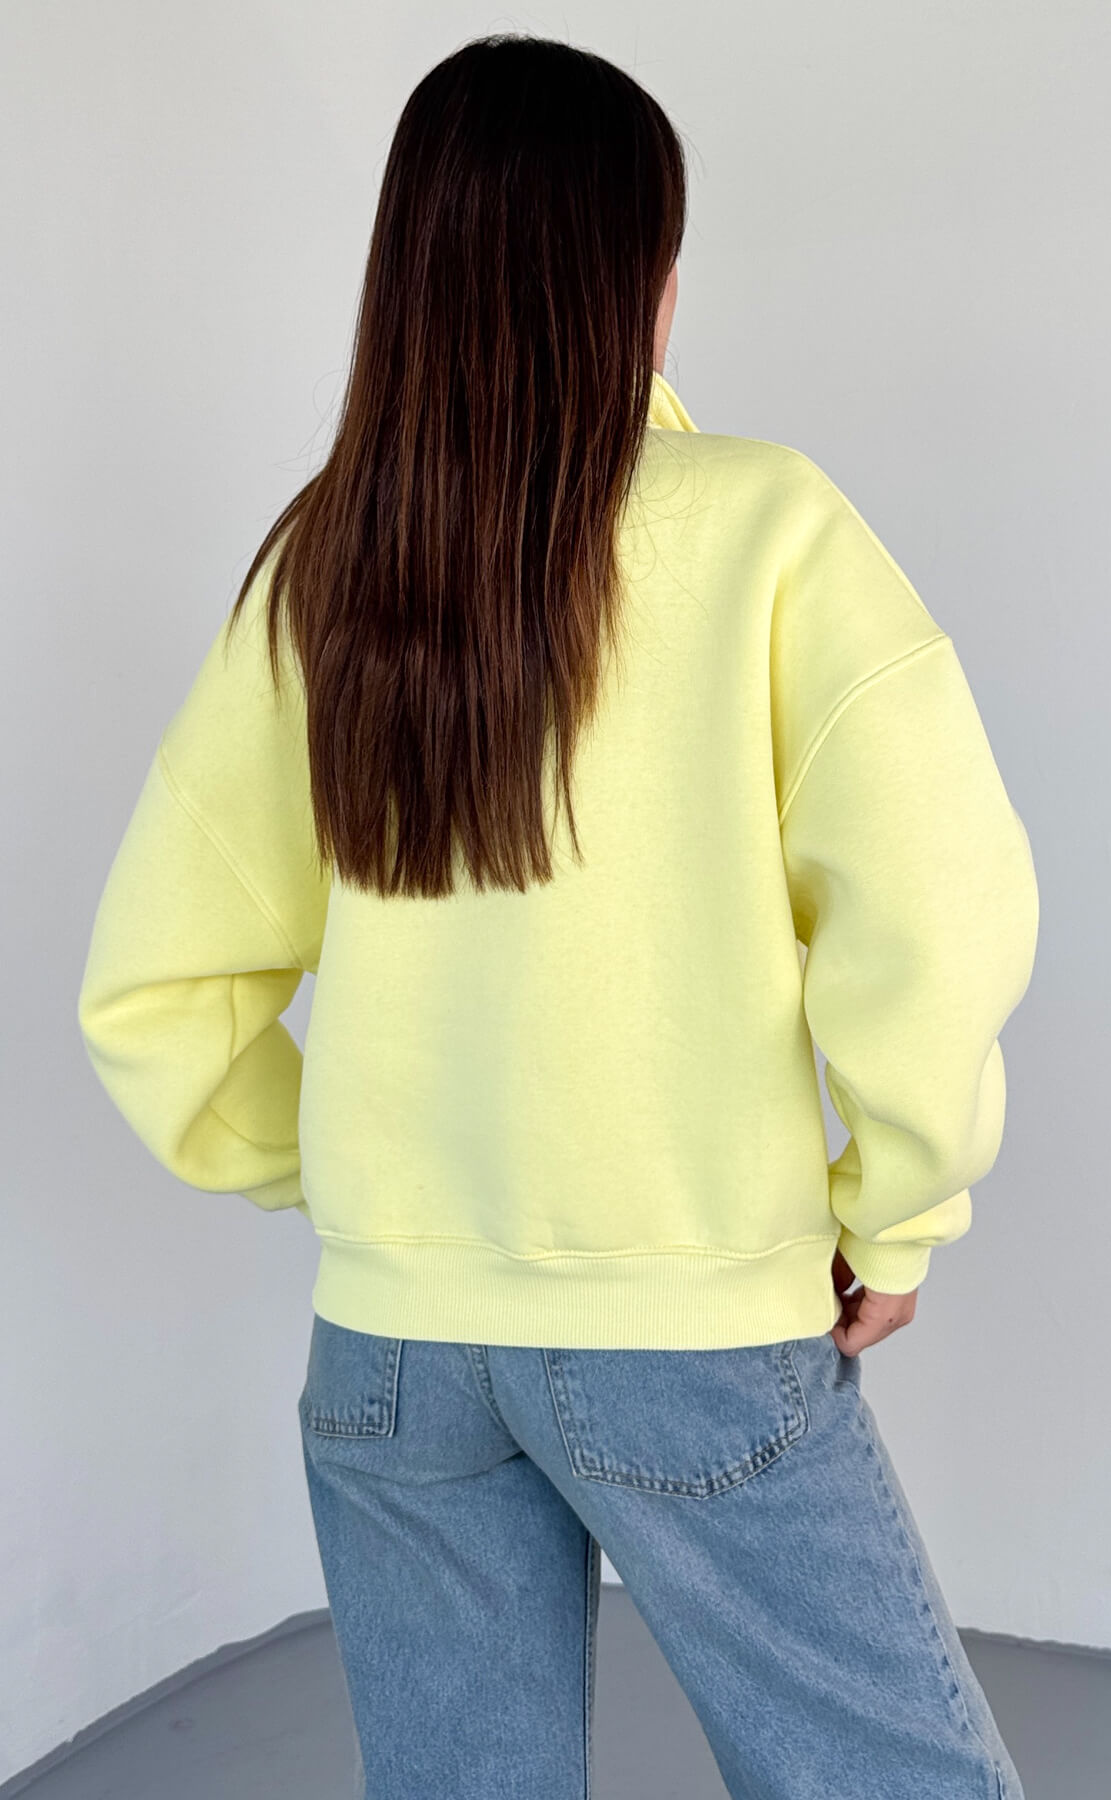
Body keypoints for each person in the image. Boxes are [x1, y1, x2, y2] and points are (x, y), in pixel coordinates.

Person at [77, 31, 1039, 1800]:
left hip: (393, 1352)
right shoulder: (767, 531)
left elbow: (158, 992)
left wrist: (371, 1185)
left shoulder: (323, 566)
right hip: (691, 1332)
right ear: (638, 282)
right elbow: (934, 911)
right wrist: (897, 1213)